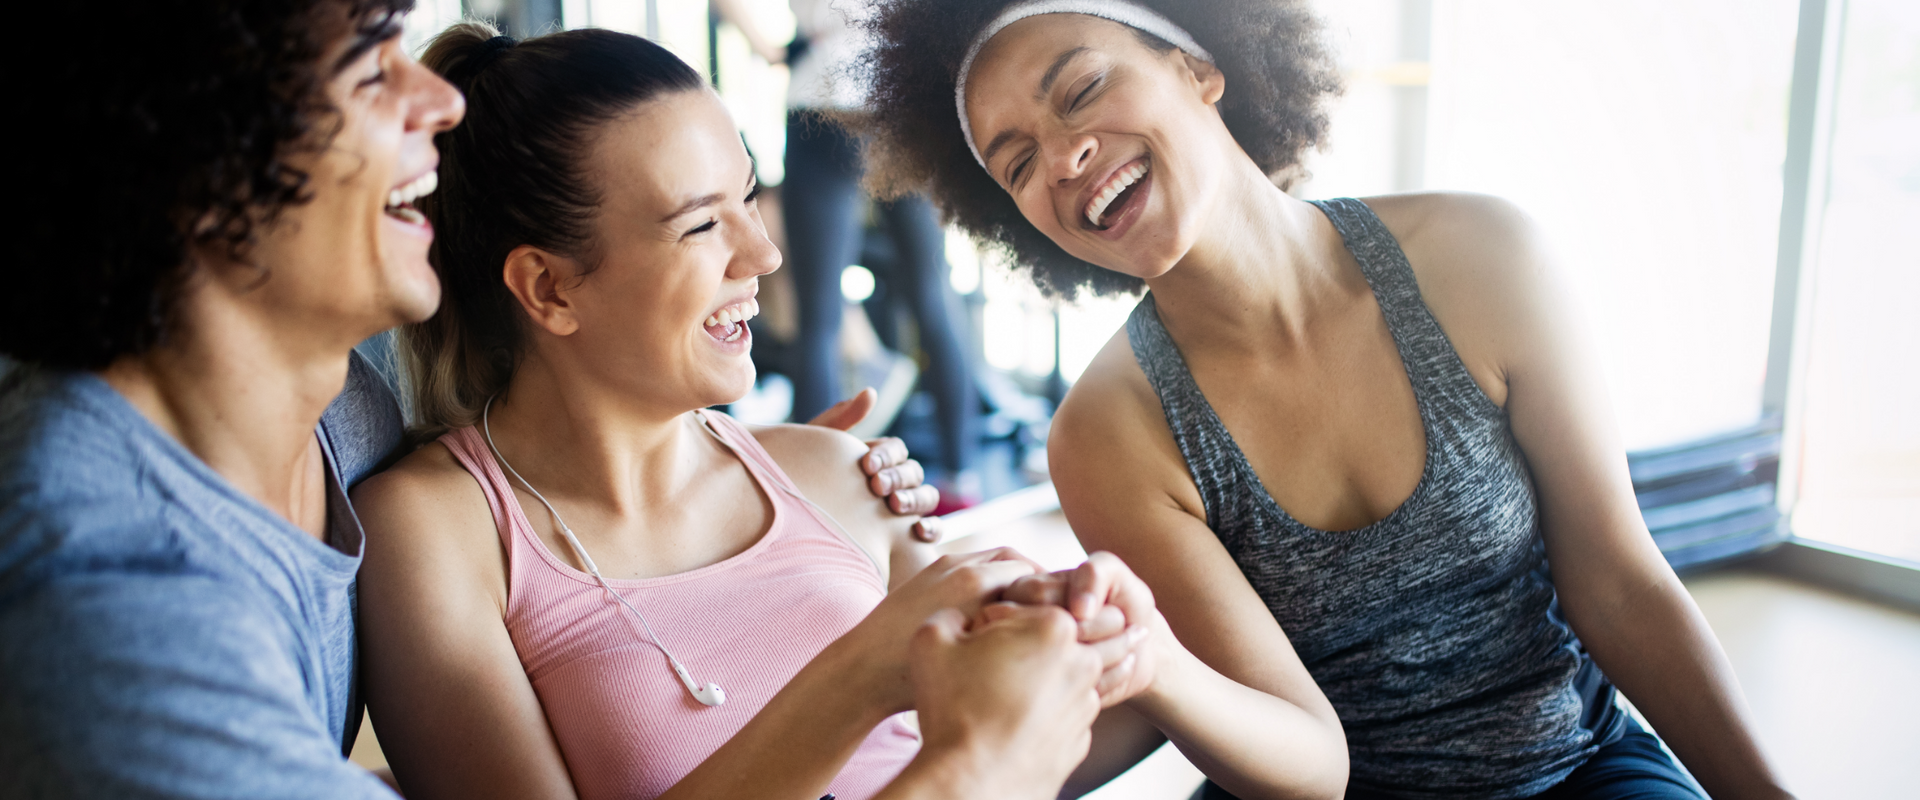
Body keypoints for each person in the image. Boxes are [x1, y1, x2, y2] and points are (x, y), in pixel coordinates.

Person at [0, 3, 1107, 798]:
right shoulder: (109, 609)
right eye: (368, 61)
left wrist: (744, 475)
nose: (437, 100)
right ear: (188, 141)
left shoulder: (342, 411)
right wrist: (969, 766)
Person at [350, 21, 1341, 800]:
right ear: (550, 289)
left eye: (750, 194)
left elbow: (1034, 750)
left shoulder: (828, 470)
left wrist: (1121, 644)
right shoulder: (433, 533)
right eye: (702, 224)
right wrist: (863, 671)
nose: (764, 254)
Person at [856, 1, 1798, 798]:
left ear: (1198, 65)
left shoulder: (1482, 258)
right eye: (1018, 162)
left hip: (1572, 765)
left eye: (1083, 90)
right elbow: (1305, 761)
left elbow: (1622, 590)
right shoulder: (1109, 432)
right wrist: (1144, 656)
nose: (1062, 159)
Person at [715, 0, 983, 502]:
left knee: (820, 316)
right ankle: (962, 474)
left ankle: (812, 495)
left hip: (823, 98)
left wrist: (774, 49)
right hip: (897, 99)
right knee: (933, 292)